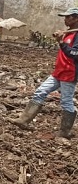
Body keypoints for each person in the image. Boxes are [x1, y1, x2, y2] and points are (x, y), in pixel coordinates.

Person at [12, 8, 78, 137]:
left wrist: (60, 42)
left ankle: (65, 131)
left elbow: (74, 54)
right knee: (40, 92)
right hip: (59, 72)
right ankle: (24, 120)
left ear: (76, 18)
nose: (65, 19)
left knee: (66, 102)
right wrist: (62, 39)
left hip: (69, 73)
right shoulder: (69, 33)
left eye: (68, 17)